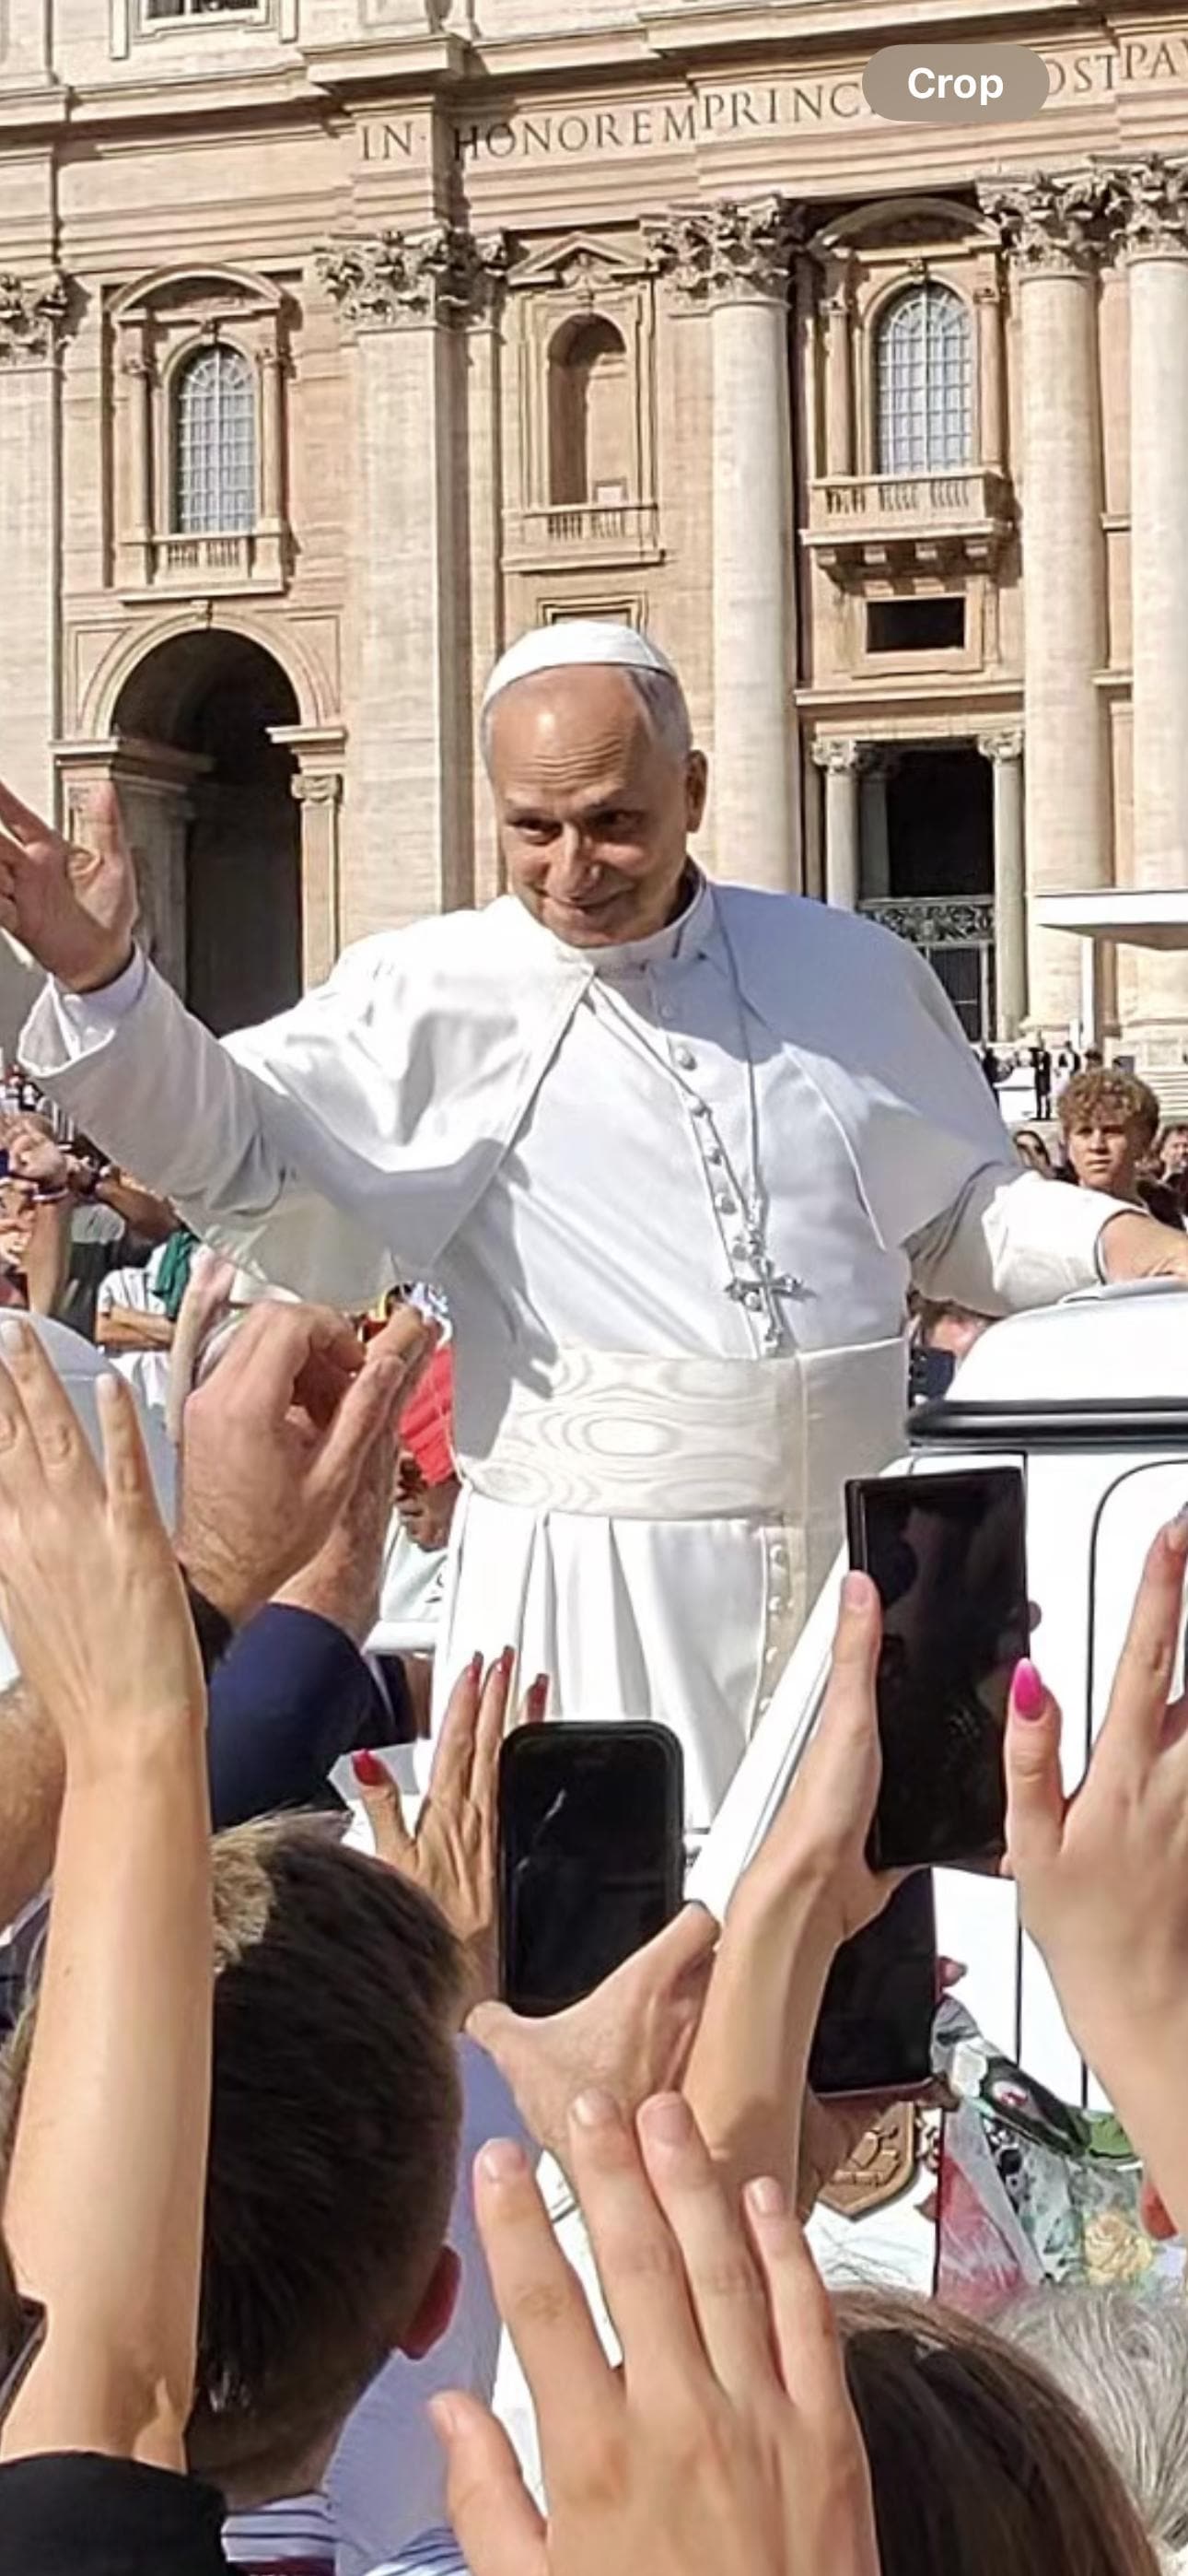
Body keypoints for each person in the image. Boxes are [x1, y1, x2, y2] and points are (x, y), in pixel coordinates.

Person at [9, 628, 1188, 1823]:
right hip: (591, 1578)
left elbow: (951, 1216)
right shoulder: (429, 993)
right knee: (607, 1951)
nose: (573, 866)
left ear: (691, 791)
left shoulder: (848, 969)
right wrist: (109, 984)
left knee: (870, 1943)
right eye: (535, 828)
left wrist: (1121, 1248)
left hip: (866, 1554)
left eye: (612, 821)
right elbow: (235, 1148)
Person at [1057, 1068, 1185, 1230]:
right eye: (1085, 1132)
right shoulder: (1049, 1226)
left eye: (1112, 1132)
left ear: (1145, 1139)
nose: (1097, 1146)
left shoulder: (1166, 1217)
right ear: (1067, 1142)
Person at [1030, 1035, 1054, 1120]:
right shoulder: (1035, 1055)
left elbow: (1048, 1065)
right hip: (1038, 1076)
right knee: (1038, 1096)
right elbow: (1032, 1064)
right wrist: (1034, 1057)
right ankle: (1039, 1113)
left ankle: (1047, 1113)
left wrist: (1042, 1062)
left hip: (1045, 1076)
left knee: (1046, 1095)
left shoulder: (1047, 1055)